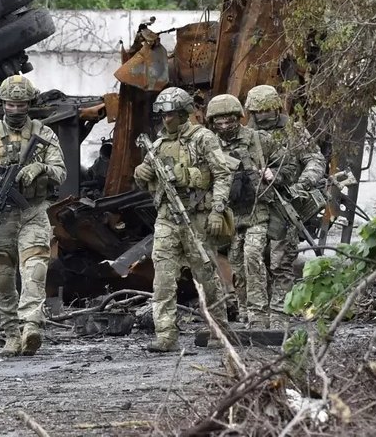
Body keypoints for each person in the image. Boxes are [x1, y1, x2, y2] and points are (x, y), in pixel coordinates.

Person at [0, 75, 67, 357]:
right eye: (10, 104)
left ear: (29, 104)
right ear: (2, 104)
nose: (16, 110)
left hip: (32, 212)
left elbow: (61, 172)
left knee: (35, 269)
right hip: (0, 217)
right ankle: (10, 333)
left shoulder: (45, 135)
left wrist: (40, 168)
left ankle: (31, 325)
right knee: (3, 278)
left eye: (21, 105)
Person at [133, 87, 232, 352]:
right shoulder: (156, 146)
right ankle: (166, 335)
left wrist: (217, 210)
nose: (167, 120)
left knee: (206, 276)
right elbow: (147, 183)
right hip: (166, 218)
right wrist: (142, 174)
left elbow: (222, 175)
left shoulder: (203, 138)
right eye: (163, 115)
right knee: (163, 279)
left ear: (184, 113)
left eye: (172, 114)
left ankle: (219, 330)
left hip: (197, 216)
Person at [205, 94, 297, 329]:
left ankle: (259, 315)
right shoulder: (209, 145)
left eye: (230, 121)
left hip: (258, 211)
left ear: (239, 118)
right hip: (231, 216)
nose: (225, 127)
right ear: (212, 123)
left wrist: (273, 174)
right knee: (236, 263)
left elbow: (289, 164)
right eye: (219, 122)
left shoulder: (258, 139)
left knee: (253, 256)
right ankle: (245, 311)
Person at [244, 85, 326, 327]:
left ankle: (281, 314)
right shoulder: (246, 133)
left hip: (287, 200)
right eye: (257, 111)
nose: (263, 115)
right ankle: (255, 315)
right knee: (252, 258)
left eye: (267, 110)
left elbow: (314, 159)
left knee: (281, 260)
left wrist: (304, 183)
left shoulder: (292, 130)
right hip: (256, 204)